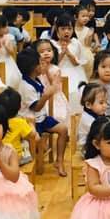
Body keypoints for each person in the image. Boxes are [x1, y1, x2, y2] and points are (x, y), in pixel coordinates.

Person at [17, 47, 68, 176]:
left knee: (63, 129)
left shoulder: (36, 79)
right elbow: (36, 107)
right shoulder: (25, 86)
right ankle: (35, 162)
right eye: (41, 63)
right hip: (31, 122)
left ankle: (59, 161)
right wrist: (46, 95)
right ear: (35, 68)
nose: (44, 64)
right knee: (38, 141)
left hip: (42, 118)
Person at [51, 13, 90, 112]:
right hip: (58, 72)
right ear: (57, 30)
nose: (66, 31)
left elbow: (77, 62)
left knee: (76, 92)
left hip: (75, 72)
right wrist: (62, 53)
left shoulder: (76, 43)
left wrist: (68, 53)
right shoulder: (53, 44)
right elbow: (54, 63)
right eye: (63, 29)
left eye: (69, 29)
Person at [0, 87, 38, 166]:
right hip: (15, 159)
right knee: (26, 144)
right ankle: (32, 162)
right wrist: (31, 124)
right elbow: (33, 135)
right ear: (19, 107)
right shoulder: (20, 122)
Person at [76, 82, 108, 152]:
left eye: (106, 102)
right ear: (88, 105)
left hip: (97, 144)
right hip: (86, 148)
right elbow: (101, 131)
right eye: (101, 103)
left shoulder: (99, 113)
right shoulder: (86, 118)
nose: (105, 105)